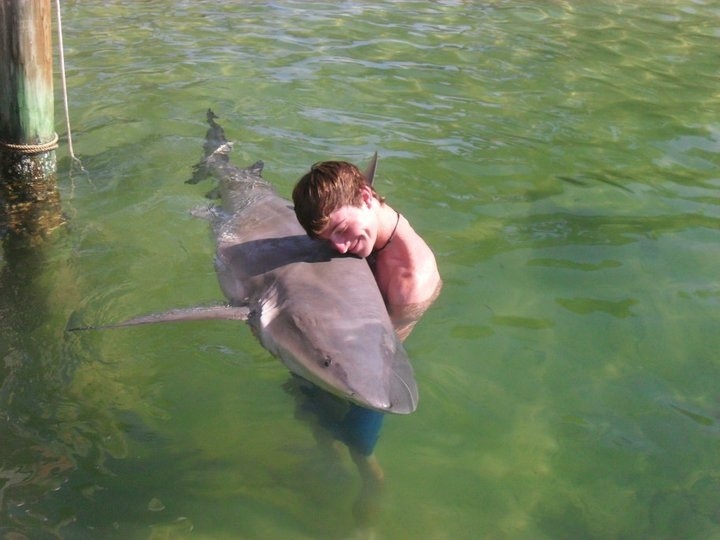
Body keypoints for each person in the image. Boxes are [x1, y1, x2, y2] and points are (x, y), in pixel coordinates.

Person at [289, 159, 442, 484]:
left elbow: (382, 352)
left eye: (342, 230)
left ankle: (371, 496)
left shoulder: (408, 283)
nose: (340, 246)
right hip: (343, 348)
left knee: (359, 450)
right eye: (329, 239)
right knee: (313, 415)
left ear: (367, 196)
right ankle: (327, 458)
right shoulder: (366, 222)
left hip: (370, 375)